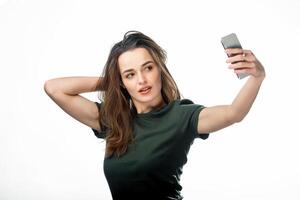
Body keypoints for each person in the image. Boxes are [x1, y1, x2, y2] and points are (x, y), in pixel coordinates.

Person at [44, 30, 265, 200]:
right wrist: (113, 80)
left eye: (148, 68)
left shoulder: (181, 116)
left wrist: (257, 77)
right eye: (130, 75)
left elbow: (233, 113)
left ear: (159, 69)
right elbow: (54, 88)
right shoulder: (114, 121)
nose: (141, 80)